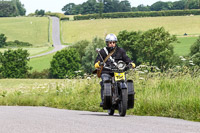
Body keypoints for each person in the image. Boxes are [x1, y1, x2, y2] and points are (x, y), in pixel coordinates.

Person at [94, 33, 135, 107]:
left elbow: (126, 58)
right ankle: (104, 100)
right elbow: (98, 60)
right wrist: (97, 63)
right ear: (107, 43)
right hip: (107, 71)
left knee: (125, 81)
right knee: (105, 81)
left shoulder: (120, 50)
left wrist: (131, 63)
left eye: (113, 42)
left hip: (118, 71)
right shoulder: (103, 51)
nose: (112, 44)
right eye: (110, 43)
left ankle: (126, 98)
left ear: (115, 43)